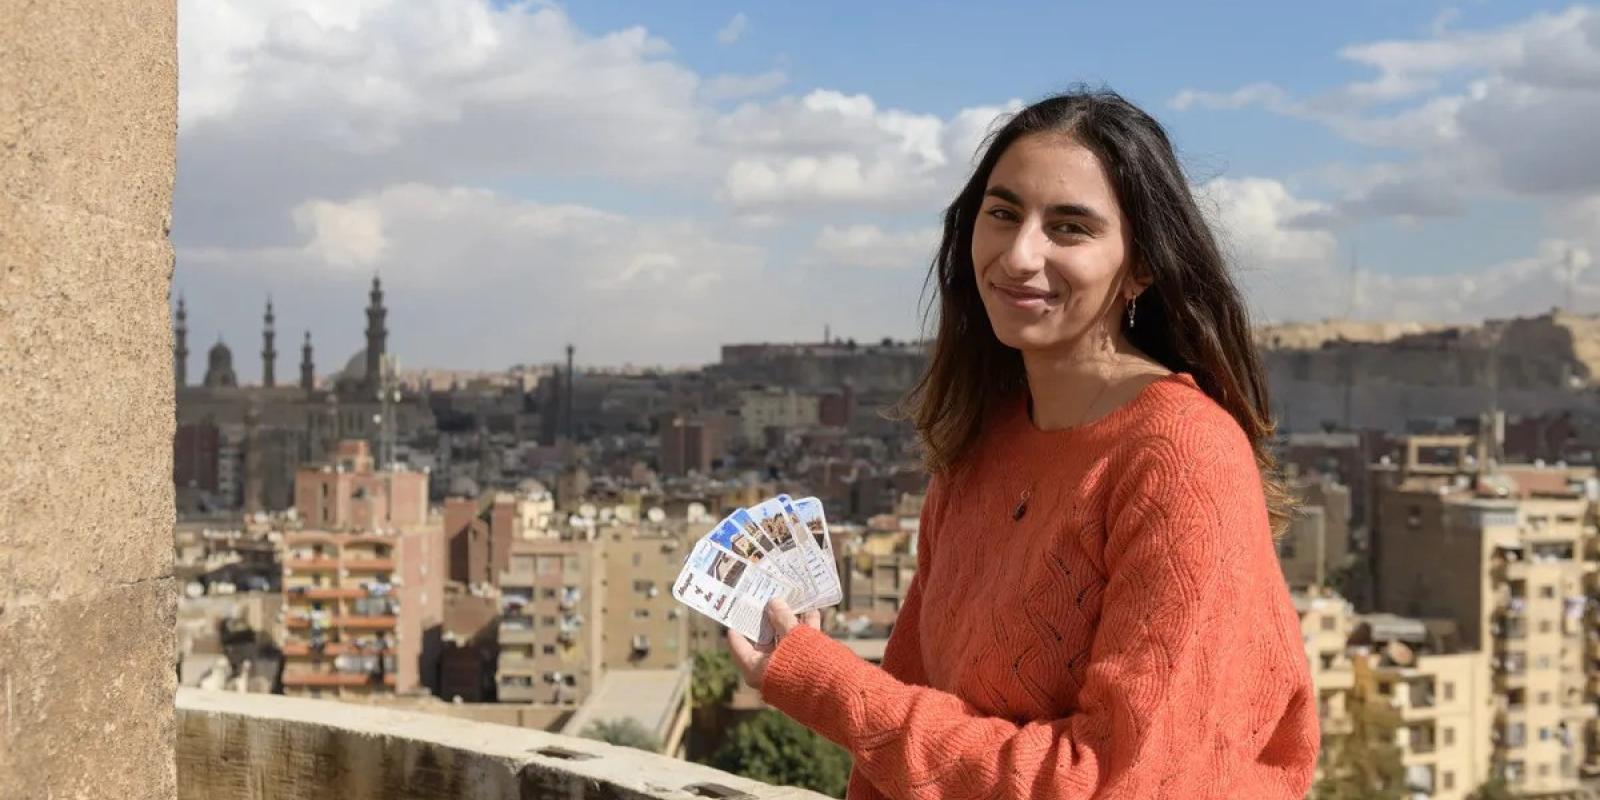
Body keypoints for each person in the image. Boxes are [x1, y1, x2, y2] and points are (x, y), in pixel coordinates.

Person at [727, 88, 1319, 799]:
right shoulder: (982, 446)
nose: (1018, 255)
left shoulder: (1182, 459)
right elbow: (907, 731)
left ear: (1141, 266)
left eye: (1069, 228)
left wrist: (825, 683)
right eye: (1003, 214)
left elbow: (1112, 783)